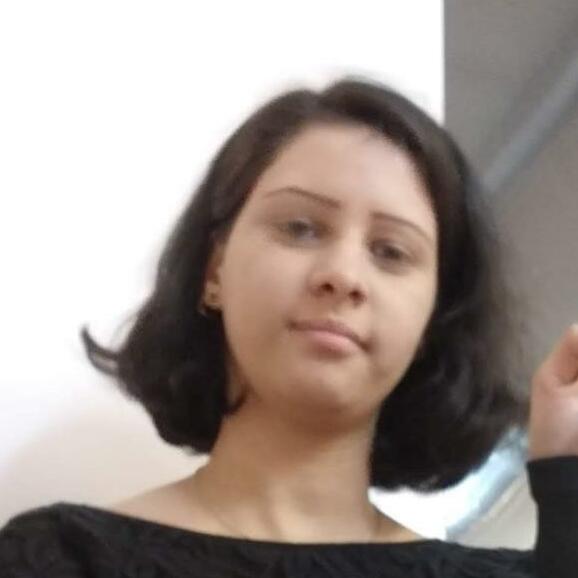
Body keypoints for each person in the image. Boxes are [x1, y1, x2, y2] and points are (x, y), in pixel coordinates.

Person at [1, 75, 577, 577]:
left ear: (431, 319)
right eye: (300, 228)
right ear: (214, 270)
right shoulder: (62, 559)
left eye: (391, 252)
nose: (343, 275)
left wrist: (568, 474)